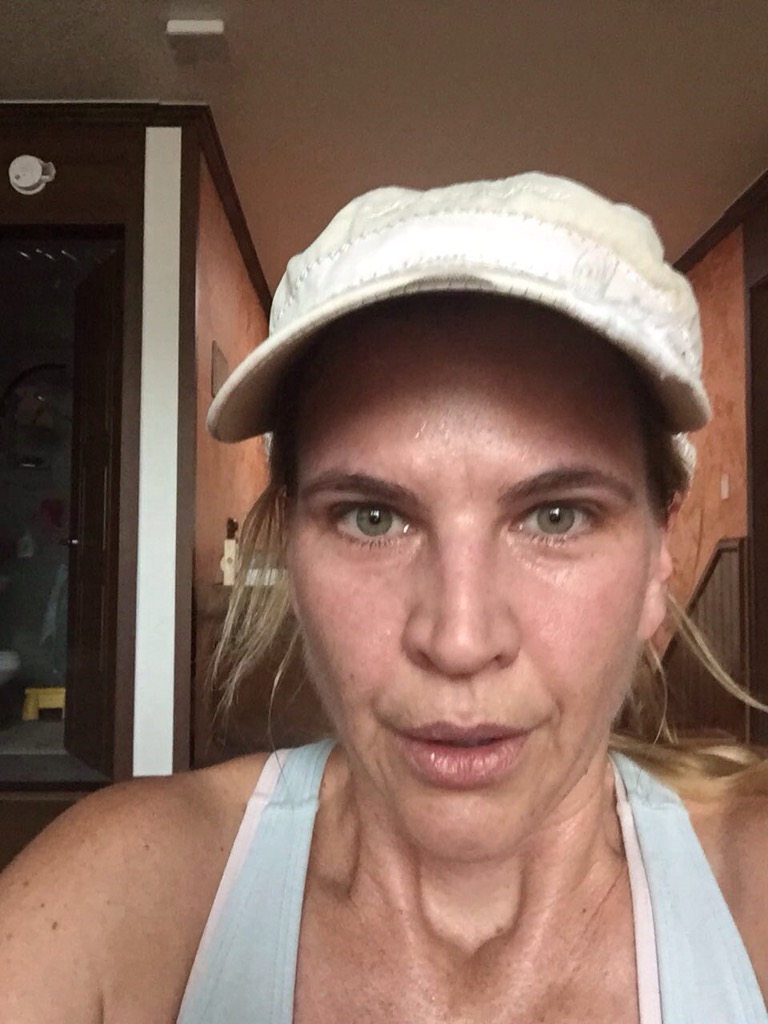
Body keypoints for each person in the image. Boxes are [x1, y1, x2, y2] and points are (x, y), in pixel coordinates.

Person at [0, 173, 766, 1024]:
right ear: (291, 546)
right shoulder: (132, 891)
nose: (459, 638)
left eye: (556, 515)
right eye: (373, 517)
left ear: (659, 558)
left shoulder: (753, 895)